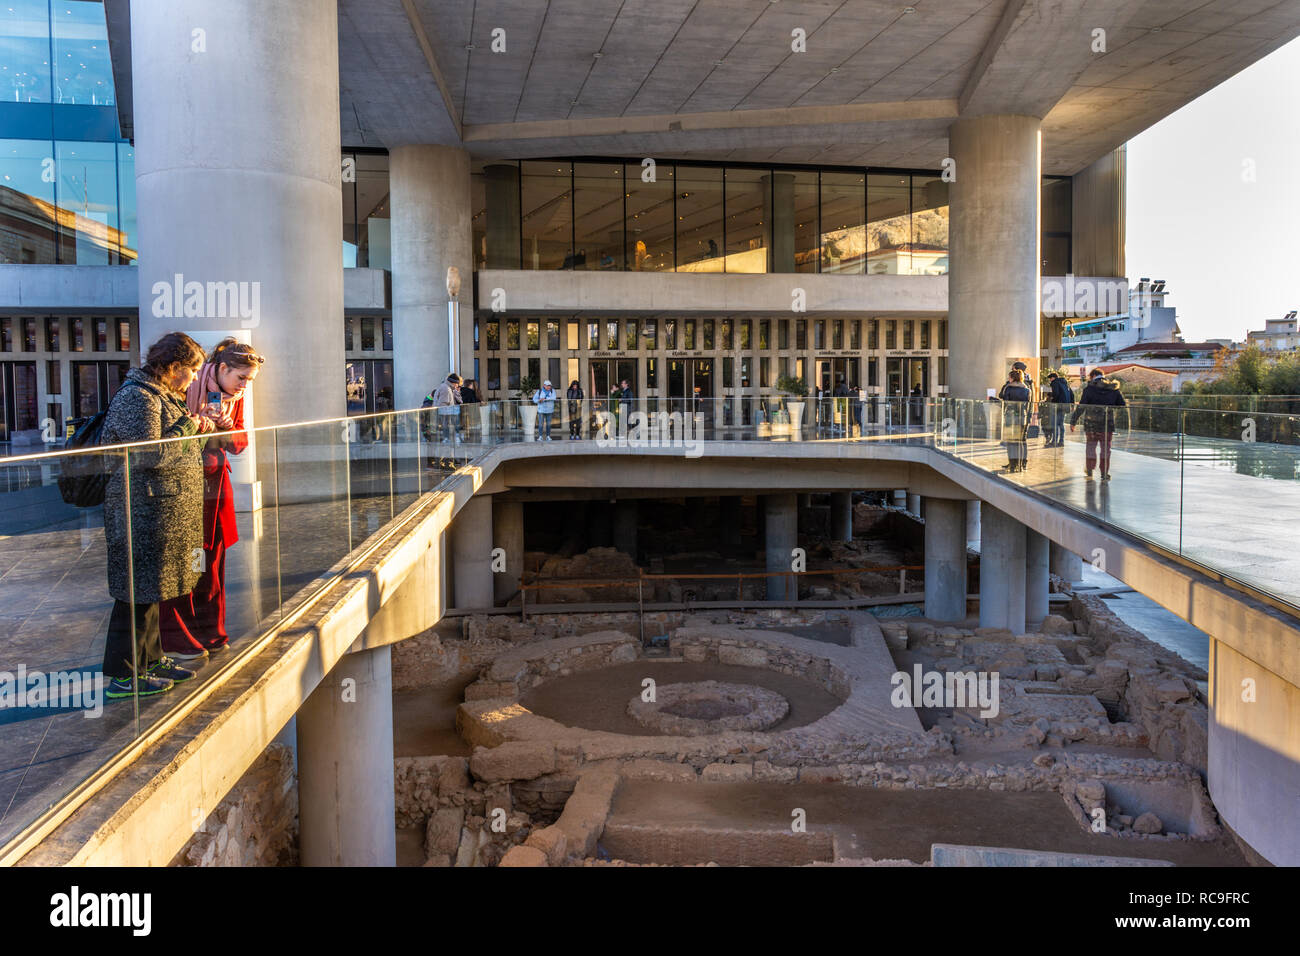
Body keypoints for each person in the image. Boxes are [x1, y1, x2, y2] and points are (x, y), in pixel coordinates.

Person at [100, 332, 208, 699]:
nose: (194, 378)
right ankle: (124, 674)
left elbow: (179, 450)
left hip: (157, 510)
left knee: (151, 590)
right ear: (173, 367)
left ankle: (151, 659)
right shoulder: (138, 397)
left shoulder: (161, 396)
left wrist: (199, 429)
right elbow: (149, 456)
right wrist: (189, 426)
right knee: (135, 594)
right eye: (191, 370)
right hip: (139, 510)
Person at [159, 338, 265, 662]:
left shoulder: (233, 398)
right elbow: (167, 439)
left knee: (212, 564)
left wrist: (225, 425)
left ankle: (210, 631)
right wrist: (198, 423)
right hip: (185, 489)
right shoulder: (185, 385)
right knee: (188, 561)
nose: (245, 387)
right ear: (221, 369)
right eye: (241, 378)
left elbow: (239, 443)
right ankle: (180, 636)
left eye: (250, 380)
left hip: (214, 491)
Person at [1069, 368, 1126, 480]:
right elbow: (1122, 404)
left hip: (1091, 424)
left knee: (1091, 447)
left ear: (1093, 375)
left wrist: (1073, 421)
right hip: (1107, 424)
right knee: (1106, 449)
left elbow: (1082, 407)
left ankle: (1090, 470)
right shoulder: (1113, 389)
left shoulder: (1089, 389)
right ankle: (1104, 473)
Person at [998, 368, 1032, 472]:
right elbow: (1028, 406)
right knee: (1021, 442)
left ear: (1012, 378)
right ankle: (1021, 465)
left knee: (1011, 442)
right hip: (1022, 418)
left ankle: (1012, 465)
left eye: (1009, 377)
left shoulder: (1009, 388)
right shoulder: (1027, 390)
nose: (1008, 379)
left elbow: (1005, 403)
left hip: (1010, 418)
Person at [429, 373, 461, 444]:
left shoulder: (446, 387)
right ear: (454, 383)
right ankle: (446, 439)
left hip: (445, 415)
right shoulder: (446, 389)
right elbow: (443, 404)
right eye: (457, 383)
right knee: (446, 429)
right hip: (445, 415)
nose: (458, 386)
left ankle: (446, 439)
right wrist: (449, 417)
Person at [1045, 371, 1074, 447]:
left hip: (1058, 406)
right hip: (1065, 406)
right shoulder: (1065, 384)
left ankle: (1054, 441)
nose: (1050, 380)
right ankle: (1061, 441)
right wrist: (1072, 405)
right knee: (1061, 424)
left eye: (1050, 379)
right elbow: (1072, 395)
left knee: (1055, 424)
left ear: (1053, 378)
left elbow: (1056, 394)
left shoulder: (1055, 383)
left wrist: (1053, 401)